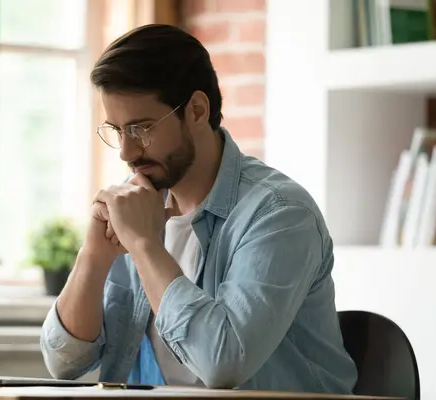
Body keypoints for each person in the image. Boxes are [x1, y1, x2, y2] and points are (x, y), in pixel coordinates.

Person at [39, 23, 358, 392]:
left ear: (196, 109)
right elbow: (63, 364)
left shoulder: (279, 214)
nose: (126, 152)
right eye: (117, 131)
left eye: (141, 129)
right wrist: (94, 256)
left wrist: (144, 246)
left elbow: (222, 363)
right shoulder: (135, 205)